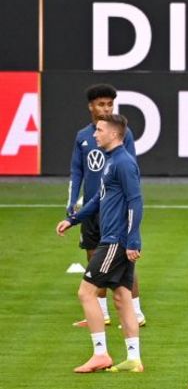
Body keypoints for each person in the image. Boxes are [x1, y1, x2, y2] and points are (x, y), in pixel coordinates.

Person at [56, 114, 145, 373]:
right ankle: (133, 358)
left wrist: (133, 240)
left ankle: (100, 354)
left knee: (86, 293)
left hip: (115, 241)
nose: (95, 135)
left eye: (100, 130)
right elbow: (96, 199)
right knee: (122, 297)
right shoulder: (110, 161)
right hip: (117, 240)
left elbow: (135, 201)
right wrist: (73, 220)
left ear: (115, 134)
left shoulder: (124, 163)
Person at [68, 84, 146, 327]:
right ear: (91, 106)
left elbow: (132, 172)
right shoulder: (84, 136)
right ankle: (100, 312)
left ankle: (136, 311)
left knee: (124, 257)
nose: (106, 108)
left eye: (109, 104)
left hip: (113, 209)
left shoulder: (122, 137)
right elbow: (76, 171)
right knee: (94, 256)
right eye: (101, 104)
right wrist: (72, 205)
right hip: (93, 206)